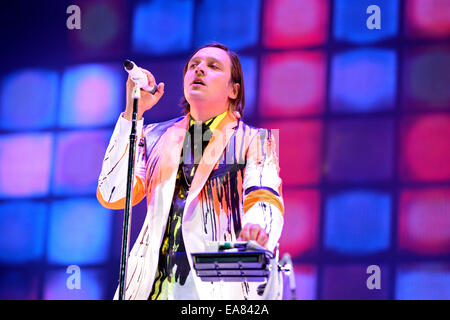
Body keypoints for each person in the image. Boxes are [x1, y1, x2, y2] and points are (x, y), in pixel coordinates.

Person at [97, 43, 284, 300]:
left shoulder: (253, 140)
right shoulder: (153, 135)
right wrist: (133, 113)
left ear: (234, 89)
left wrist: (256, 229)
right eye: (193, 66)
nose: (199, 70)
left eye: (213, 66)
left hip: (215, 288)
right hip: (148, 289)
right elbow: (113, 193)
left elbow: (264, 195)